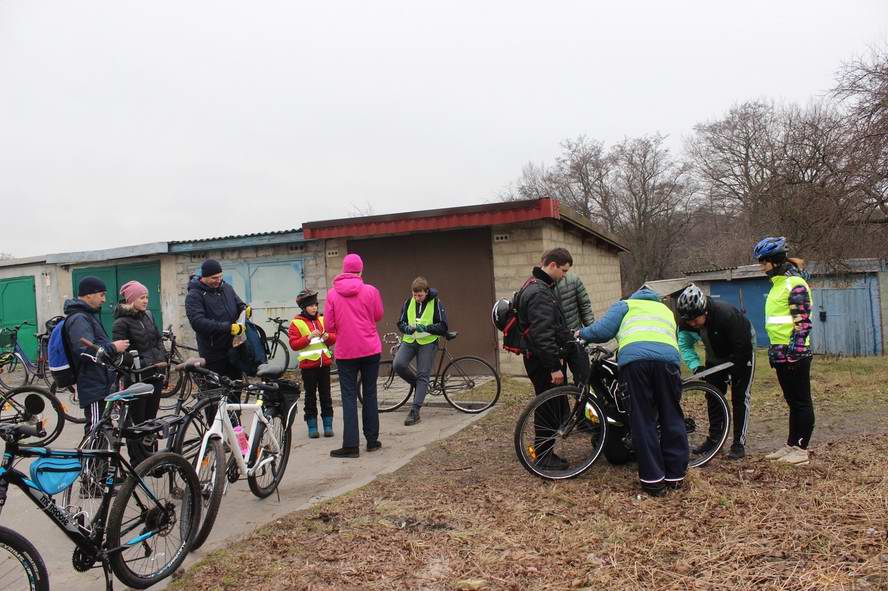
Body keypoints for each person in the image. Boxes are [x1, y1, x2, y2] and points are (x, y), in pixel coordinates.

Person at [578, 286, 686, 497]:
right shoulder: (666, 311)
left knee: (642, 419)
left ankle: (653, 480)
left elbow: (603, 331)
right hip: (668, 363)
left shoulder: (625, 305)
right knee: (671, 415)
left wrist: (581, 333)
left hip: (636, 364)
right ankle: (675, 476)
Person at [517, 247, 589, 470]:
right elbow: (542, 334)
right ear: (553, 265)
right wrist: (554, 367)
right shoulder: (539, 292)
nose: (564, 275)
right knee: (547, 405)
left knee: (552, 403)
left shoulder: (535, 285)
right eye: (564, 271)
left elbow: (551, 327)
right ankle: (544, 455)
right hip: (542, 361)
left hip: (538, 357)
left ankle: (547, 449)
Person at [676, 283, 755, 460]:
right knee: (712, 396)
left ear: (705, 311)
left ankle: (738, 443)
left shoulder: (726, 314)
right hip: (714, 355)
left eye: (696, 320)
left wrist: (736, 370)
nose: (693, 324)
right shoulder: (686, 322)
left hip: (741, 351)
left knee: (739, 397)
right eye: (689, 321)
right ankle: (714, 440)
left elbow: (743, 347)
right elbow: (685, 345)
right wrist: (696, 366)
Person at [754, 237, 814, 466]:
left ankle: (801, 450)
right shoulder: (778, 284)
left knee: (801, 402)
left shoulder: (795, 284)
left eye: (763, 262)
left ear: (775, 261)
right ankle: (791, 445)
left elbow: (803, 323)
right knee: (792, 402)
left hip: (794, 354)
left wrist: (794, 353)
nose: (761, 266)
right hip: (779, 354)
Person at [324, 254, 384, 458]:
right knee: (370, 394)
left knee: (349, 397)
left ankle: (351, 446)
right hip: (370, 349)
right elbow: (378, 315)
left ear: (344, 269)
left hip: (346, 352)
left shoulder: (332, 294)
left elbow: (329, 326)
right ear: (360, 270)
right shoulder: (371, 291)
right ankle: (373, 441)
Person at [63, 276, 129, 433]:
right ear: (88, 295)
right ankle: (90, 459)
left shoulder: (88, 315)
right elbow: (85, 351)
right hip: (92, 384)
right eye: (101, 295)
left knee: (103, 429)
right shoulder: (79, 318)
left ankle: (100, 459)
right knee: (95, 430)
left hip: (101, 382)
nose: (104, 299)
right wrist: (113, 347)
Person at [112, 280, 167, 466]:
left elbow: (158, 340)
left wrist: (161, 358)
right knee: (137, 423)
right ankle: (138, 462)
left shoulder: (148, 316)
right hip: (136, 378)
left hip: (155, 374)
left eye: (146, 297)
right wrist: (143, 362)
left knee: (151, 420)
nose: (145, 301)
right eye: (142, 297)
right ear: (131, 299)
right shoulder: (121, 323)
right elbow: (120, 354)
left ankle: (152, 460)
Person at [394, 277, 449, 426]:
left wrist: (426, 328)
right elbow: (400, 322)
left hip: (428, 342)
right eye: (414, 295)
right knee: (398, 364)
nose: (417, 298)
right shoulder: (408, 302)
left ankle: (415, 411)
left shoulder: (436, 303)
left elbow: (443, 326)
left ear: (426, 292)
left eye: (420, 295)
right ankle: (419, 386)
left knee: (423, 374)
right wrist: (406, 328)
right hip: (410, 340)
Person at [185, 258, 247, 388]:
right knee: (214, 394)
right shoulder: (194, 295)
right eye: (214, 278)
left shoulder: (226, 288)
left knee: (235, 390)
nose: (218, 280)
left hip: (234, 350)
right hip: (212, 353)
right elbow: (198, 323)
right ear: (204, 277)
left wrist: (245, 309)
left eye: (220, 276)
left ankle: (233, 410)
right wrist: (229, 328)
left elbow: (239, 303)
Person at [288, 289, 336, 439]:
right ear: (303, 307)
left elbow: (333, 338)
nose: (314, 307)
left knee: (326, 396)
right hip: (308, 366)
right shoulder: (296, 323)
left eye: (315, 304)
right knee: (310, 397)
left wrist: (328, 336)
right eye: (310, 305)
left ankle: (328, 425)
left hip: (324, 364)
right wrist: (308, 337)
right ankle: (312, 426)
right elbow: (294, 344)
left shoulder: (322, 320)